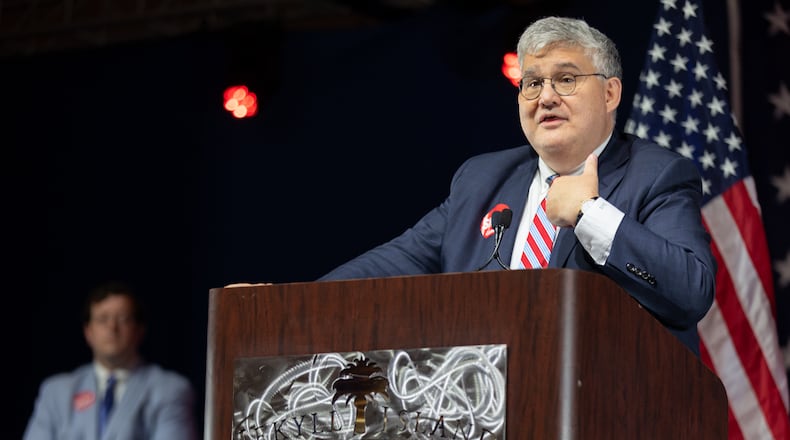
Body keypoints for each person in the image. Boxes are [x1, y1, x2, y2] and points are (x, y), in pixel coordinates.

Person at [319, 16, 716, 355]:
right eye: (531, 82)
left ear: (610, 93)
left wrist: (589, 214)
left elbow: (690, 293)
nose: (545, 97)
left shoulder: (657, 175)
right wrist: (284, 302)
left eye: (565, 79)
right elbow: (388, 266)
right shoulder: (482, 179)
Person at [23, 281, 198, 440]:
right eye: (102, 319)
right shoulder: (56, 392)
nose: (112, 328)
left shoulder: (171, 389)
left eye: (123, 318)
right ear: (88, 332)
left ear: (139, 330)